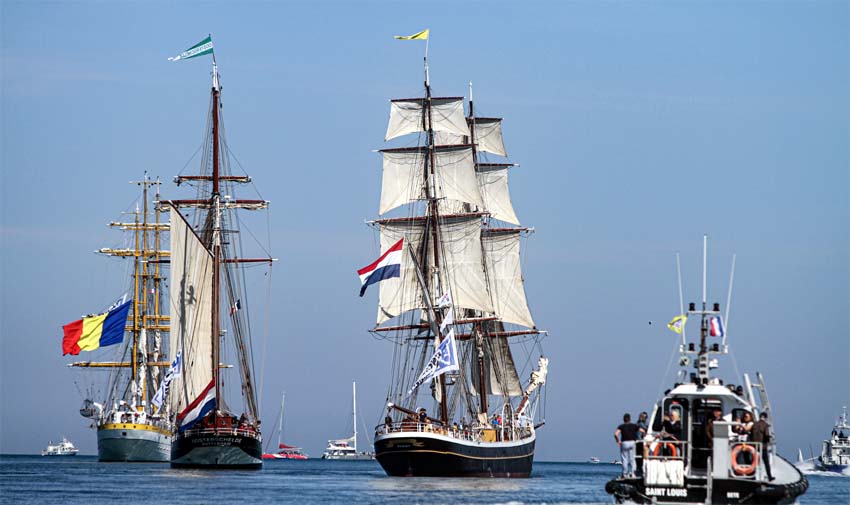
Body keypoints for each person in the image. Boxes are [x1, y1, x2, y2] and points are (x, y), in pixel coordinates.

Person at [614, 413, 642, 478]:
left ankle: (625, 473)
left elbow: (616, 434)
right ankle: (633, 473)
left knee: (624, 459)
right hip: (632, 442)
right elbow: (642, 431)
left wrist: (618, 441)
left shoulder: (621, 426)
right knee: (632, 459)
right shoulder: (634, 426)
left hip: (624, 443)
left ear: (624, 419)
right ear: (630, 419)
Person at [751, 412, 774, 481]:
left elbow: (751, 434)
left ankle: (752, 476)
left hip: (754, 446)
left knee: (754, 462)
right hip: (762, 447)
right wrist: (769, 439)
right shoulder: (765, 425)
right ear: (765, 418)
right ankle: (769, 476)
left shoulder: (754, 424)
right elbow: (766, 435)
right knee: (766, 463)